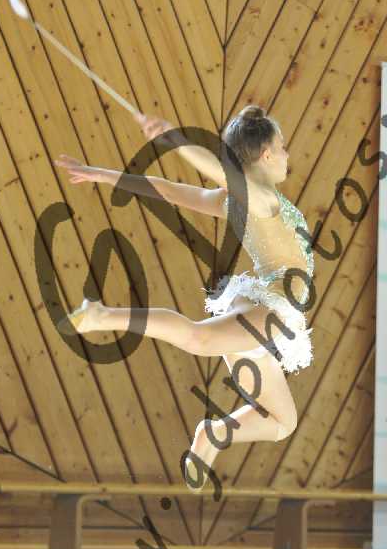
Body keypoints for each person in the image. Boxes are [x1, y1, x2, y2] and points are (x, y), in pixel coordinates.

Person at [55, 105, 315, 491]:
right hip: (271, 306)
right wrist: (173, 139)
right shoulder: (261, 200)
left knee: (282, 422)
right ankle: (102, 315)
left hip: (263, 306)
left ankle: (213, 434)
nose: (287, 155)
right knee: (199, 338)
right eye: (283, 147)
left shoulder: (235, 201)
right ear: (266, 155)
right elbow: (221, 174)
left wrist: (103, 174)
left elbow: (166, 190)